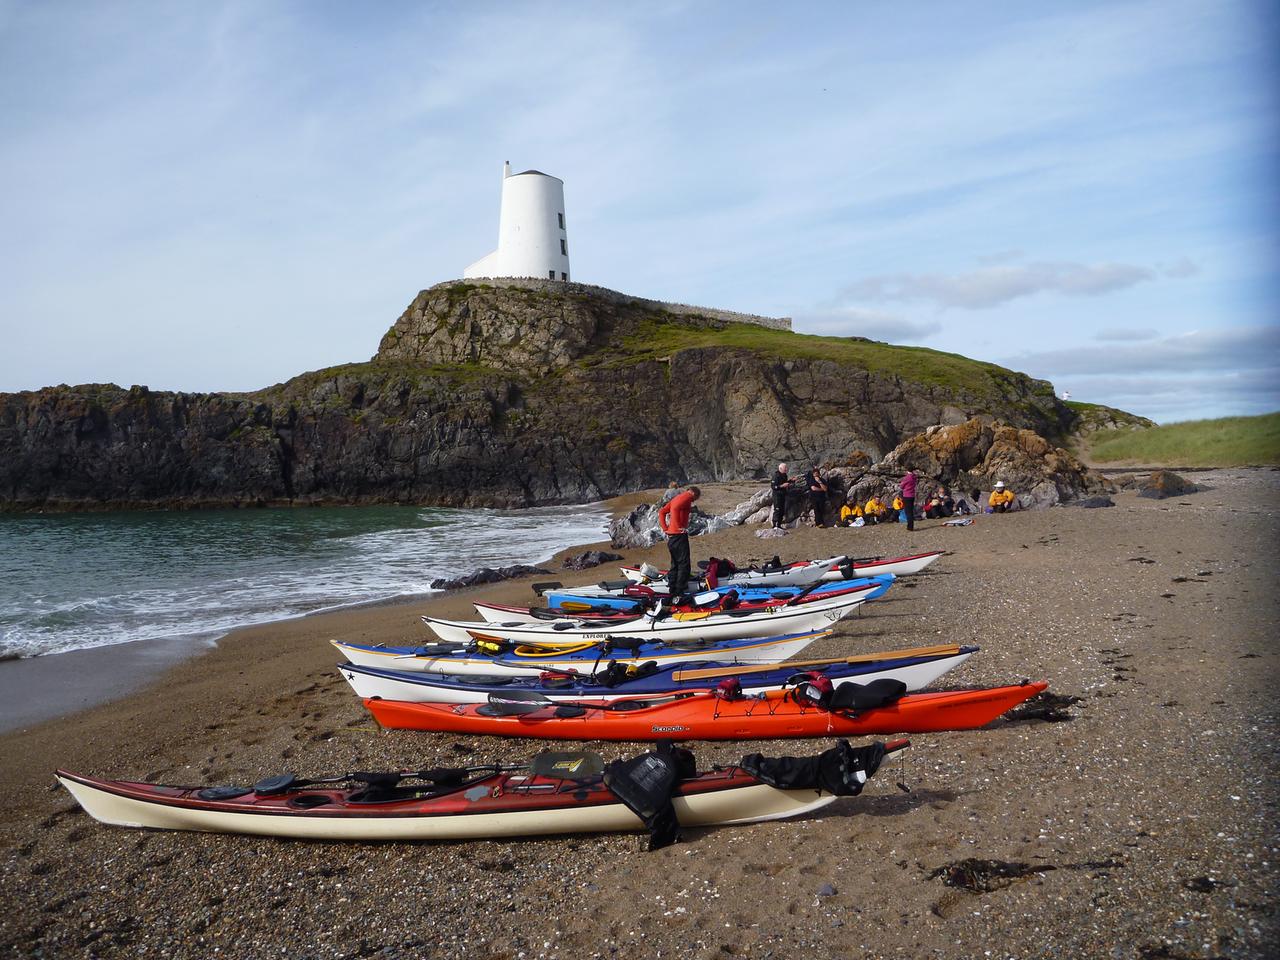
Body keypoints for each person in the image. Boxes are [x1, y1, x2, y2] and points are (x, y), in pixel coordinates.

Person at [658, 485, 701, 598]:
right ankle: (679, 592)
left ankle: (672, 589)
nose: (694, 501)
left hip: (672, 536)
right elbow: (675, 509)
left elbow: (662, 512)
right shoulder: (687, 497)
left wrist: (665, 528)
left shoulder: (677, 498)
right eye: (696, 498)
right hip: (679, 535)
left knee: (675, 563)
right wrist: (678, 527)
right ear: (694, 493)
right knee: (684, 564)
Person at [769, 462, 793, 529]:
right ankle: (775, 525)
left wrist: (791, 481)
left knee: (782, 510)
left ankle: (779, 525)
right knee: (777, 510)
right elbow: (773, 486)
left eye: (786, 468)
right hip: (777, 496)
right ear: (780, 468)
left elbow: (785, 483)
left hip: (783, 495)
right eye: (785, 468)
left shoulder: (784, 475)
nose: (786, 469)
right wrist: (782, 486)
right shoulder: (776, 476)